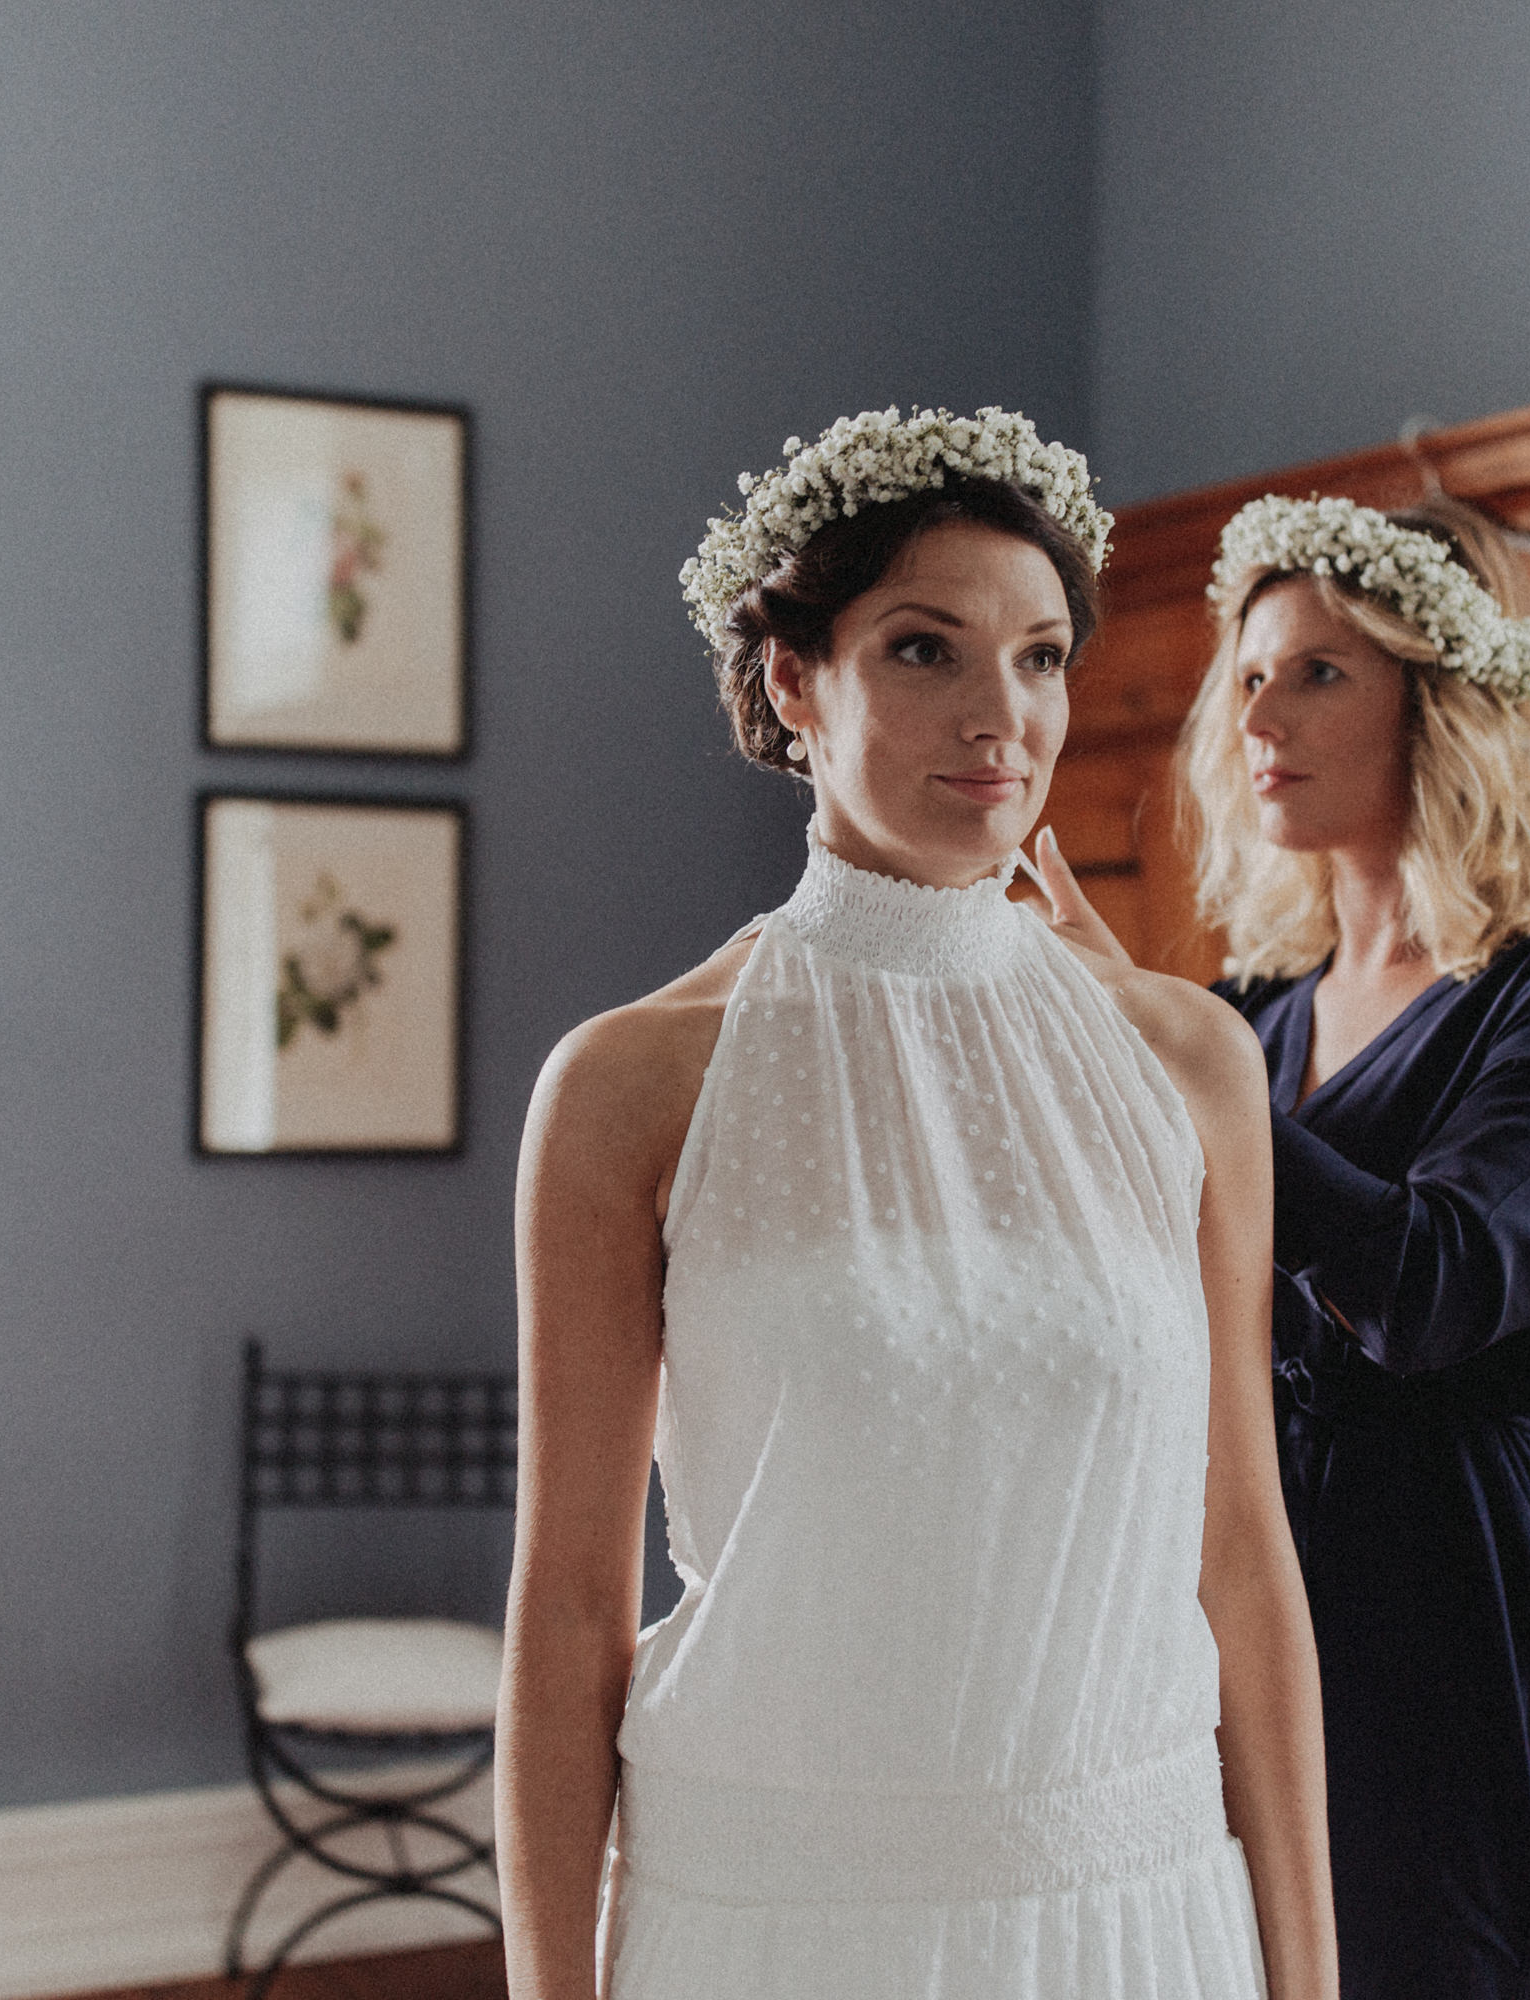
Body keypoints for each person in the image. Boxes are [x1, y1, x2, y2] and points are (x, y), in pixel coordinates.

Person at [495, 409, 1336, 2000]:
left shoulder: (1190, 1063)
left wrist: (1310, 1978)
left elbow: (1241, 1552)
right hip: (770, 1929)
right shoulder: (630, 1085)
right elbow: (568, 1614)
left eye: (1037, 658)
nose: (998, 718)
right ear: (795, 685)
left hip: (1134, 1917)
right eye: (924, 651)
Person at [1034, 491, 1530, 2000]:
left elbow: (1436, 1283)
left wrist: (1162, 1042)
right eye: (1249, 672)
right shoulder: (1258, 1024)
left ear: (1441, 703)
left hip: (1453, 1611)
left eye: (1320, 670)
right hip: (1232, 1607)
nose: (1262, 710)